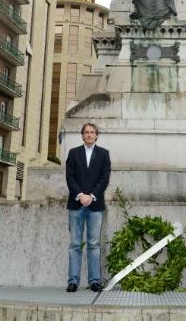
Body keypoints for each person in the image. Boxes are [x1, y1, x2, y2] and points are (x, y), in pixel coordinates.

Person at [65, 122, 111, 292]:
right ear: (82, 135)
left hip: (95, 205)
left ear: (97, 135)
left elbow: (104, 179)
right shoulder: (73, 153)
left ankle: (94, 281)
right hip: (76, 204)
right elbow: (70, 177)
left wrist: (91, 196)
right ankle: (73, 281)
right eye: (86, 132)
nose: (89, 134)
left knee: (93, 244)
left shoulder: (104, 154)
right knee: (75, 244)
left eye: (92, 132)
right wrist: (80, 195)